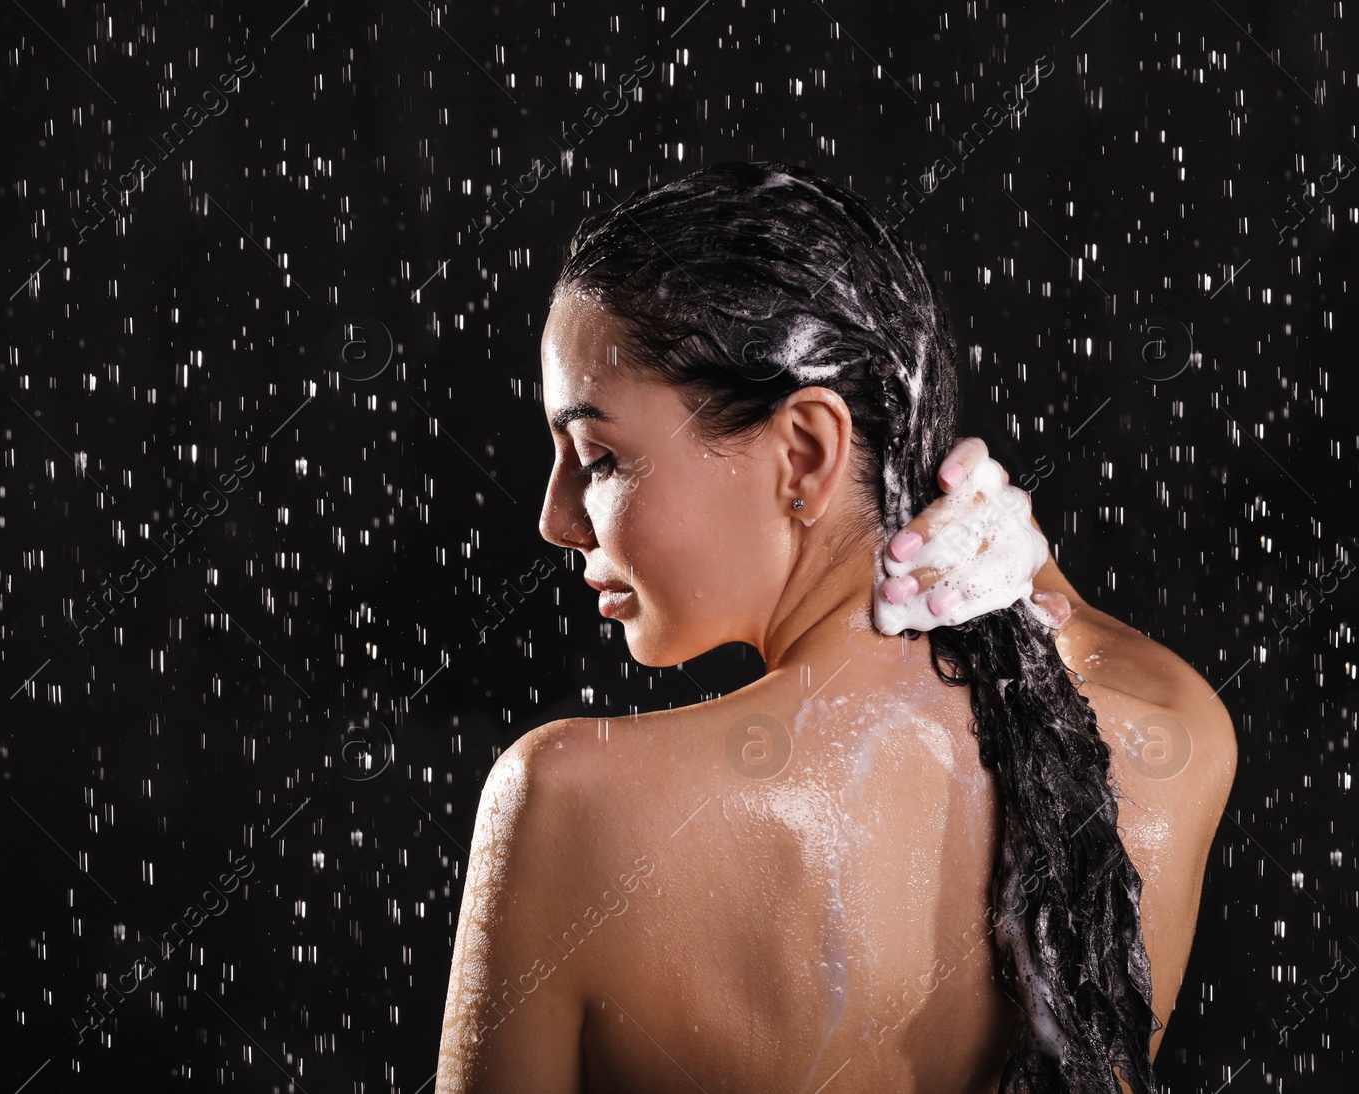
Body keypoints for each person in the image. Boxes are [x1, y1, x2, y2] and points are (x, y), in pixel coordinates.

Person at [436, 162, 1237, 1093]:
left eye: (599, 457)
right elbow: (1071, 621)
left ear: (807, 452)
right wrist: (1015, 544)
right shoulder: (1168, 735)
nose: (556, 520)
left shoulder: (571, 806)